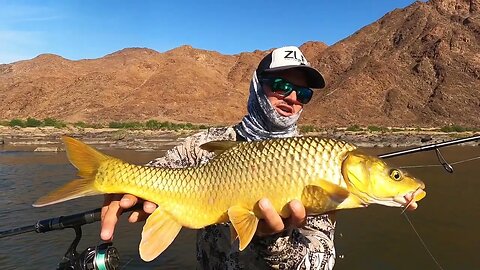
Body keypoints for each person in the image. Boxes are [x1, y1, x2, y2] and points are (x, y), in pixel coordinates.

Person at [100, 46, 420, 269]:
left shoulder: (320, 163)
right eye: (281, 85)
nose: (292, 98)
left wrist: (274, 242)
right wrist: (123, 188)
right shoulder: (207, 143)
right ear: (256, 87)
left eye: (303, 93)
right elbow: (160, 170)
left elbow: (318, 262)